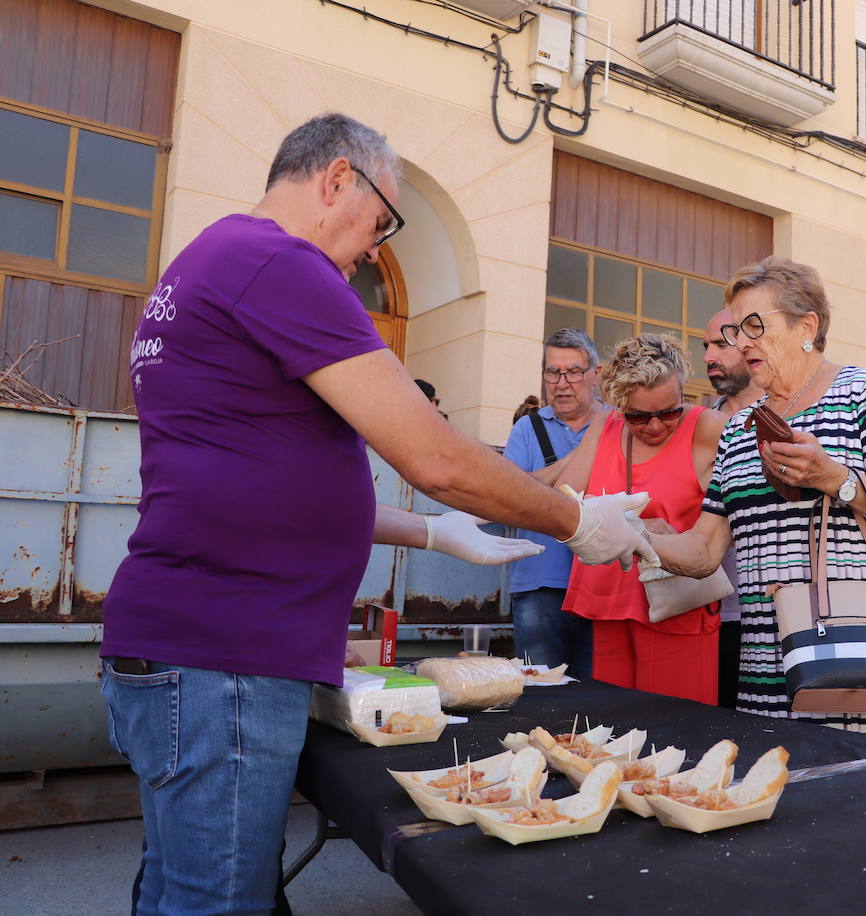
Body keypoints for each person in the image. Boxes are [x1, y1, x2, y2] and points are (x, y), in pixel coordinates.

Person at [98, 113, 653, 914]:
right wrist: (575, 521)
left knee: (183, 888)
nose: (373, 249)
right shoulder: (278, 263)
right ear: (335, 180)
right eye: (382, 221)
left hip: (192, 646)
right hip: (225, 655)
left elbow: (245, 483)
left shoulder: (207, 262)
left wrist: (428, 531)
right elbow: (434, 456)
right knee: (214, 903)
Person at [640, 257, 866, 737]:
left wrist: (834, 476)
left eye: (754, 326)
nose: (742, 342)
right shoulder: (738, 427)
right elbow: (703, 551)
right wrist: (631, 536)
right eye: (736, 330)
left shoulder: (863, 393)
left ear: (807, 325)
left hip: (856, 667)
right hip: (765, 680)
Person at [547, 333, 726, 703]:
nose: (656, 426)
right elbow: (565, 494)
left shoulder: (709, 426)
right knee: (618, 735)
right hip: (611, 599)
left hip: (677, 600)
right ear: (619, 403)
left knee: (676, 732)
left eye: (670, 411)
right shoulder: (607, 424)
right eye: (638, 416)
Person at [502, 328, 607, 678]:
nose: (562, 383)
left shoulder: (619, 424)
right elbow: (509, 497)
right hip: (538, 584)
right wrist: (573, 464)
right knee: (540, 696)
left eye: (574, 372)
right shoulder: (526, 429)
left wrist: (541, 483)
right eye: (552, 372)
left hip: (604, 585)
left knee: (603, 696)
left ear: (596, 373)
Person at [702, 308, 765, 707]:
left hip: (776, 614)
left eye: (721, 345)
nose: (709, 356)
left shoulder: (787, 417)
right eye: (705, 345)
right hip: (712, 614)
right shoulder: (697, 424)